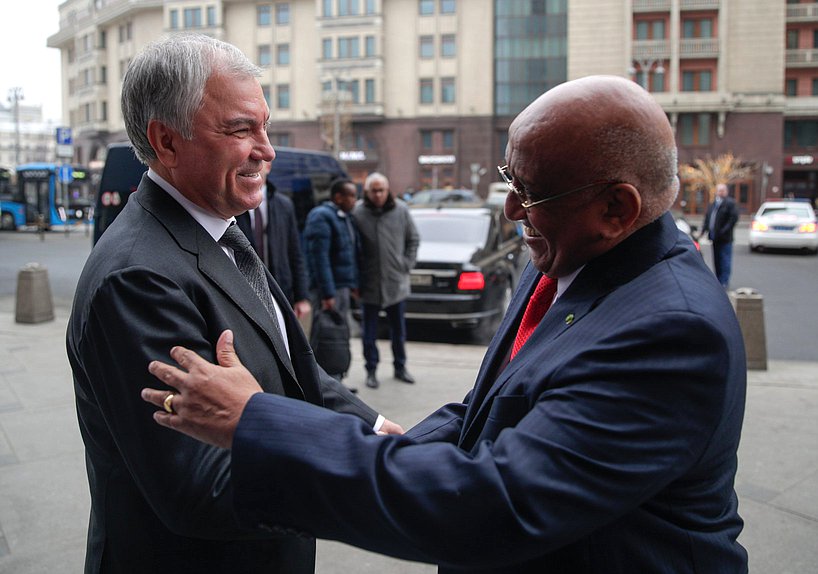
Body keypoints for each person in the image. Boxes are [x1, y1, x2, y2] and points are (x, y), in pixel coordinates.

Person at [142, 75, 748, 573]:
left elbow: (492, 505)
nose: (510, 210)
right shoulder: (575, 258)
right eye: (511, 182)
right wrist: (394, 448)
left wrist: (257, 423)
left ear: (616, 208)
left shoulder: (672, 332)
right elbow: (488, 409)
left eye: (530, 193)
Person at [66, 34, 400, 574]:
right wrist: (372, 473)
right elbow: (200, 485)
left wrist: (383, 432)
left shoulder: (218, 226)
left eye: (264, 125)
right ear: (166, 142)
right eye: (241, 129)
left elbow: (298, 377)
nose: (266, 149)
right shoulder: (137, 277)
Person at [353, 172, 420, 388]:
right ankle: (371, 370)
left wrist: (405, 265)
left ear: (388, 190)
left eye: (382, 190)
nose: (379, 195)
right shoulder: (358, 212)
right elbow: (352, 247)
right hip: (369, 283)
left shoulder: (401, 210)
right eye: (374, 191)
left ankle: (400, 367)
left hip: (395, 283)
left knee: (398, 330)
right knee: (369, 333)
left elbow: (413, 239)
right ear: (367, 192)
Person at [236, 160, 311, 319]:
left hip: (279, 289)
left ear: (268, 167)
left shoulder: (284, 205)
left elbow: (295, 252)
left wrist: (301, 296)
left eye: (258, 162)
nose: (253, 166)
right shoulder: (233, 204)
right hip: (244, 291)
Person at [303, 178, 359, 384]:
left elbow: (348, 254)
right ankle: (322, 382)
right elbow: (320, 259)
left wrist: (353, 284)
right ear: (338, 197)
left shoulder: (343, 217)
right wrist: (328, 294)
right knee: (326, 335)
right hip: (328, 289)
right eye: (351, 195)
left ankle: (336, 380)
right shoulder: (322, 217)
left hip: (341, 287)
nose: (354, 200)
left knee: (339, 335)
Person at [701, 182, 739, 288]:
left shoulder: (730, 203)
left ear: (726, 191)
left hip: (725, 238)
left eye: (723, 190)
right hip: (714, 237)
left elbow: (733, 219)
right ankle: (718, 280)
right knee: (717, 259)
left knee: (725, 259)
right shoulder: (713, 204)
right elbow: (708, 218)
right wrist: (703, 231)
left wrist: (723, 231)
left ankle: (724, 281)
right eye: (719, 190)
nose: (721, 192)